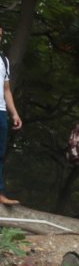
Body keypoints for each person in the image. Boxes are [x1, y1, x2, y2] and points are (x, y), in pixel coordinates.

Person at [0, 25, 23, 206]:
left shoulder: (4, 61)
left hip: (1, 112)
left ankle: (0, 193)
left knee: (0, 153)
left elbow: (6, 89)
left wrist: (14, 113)